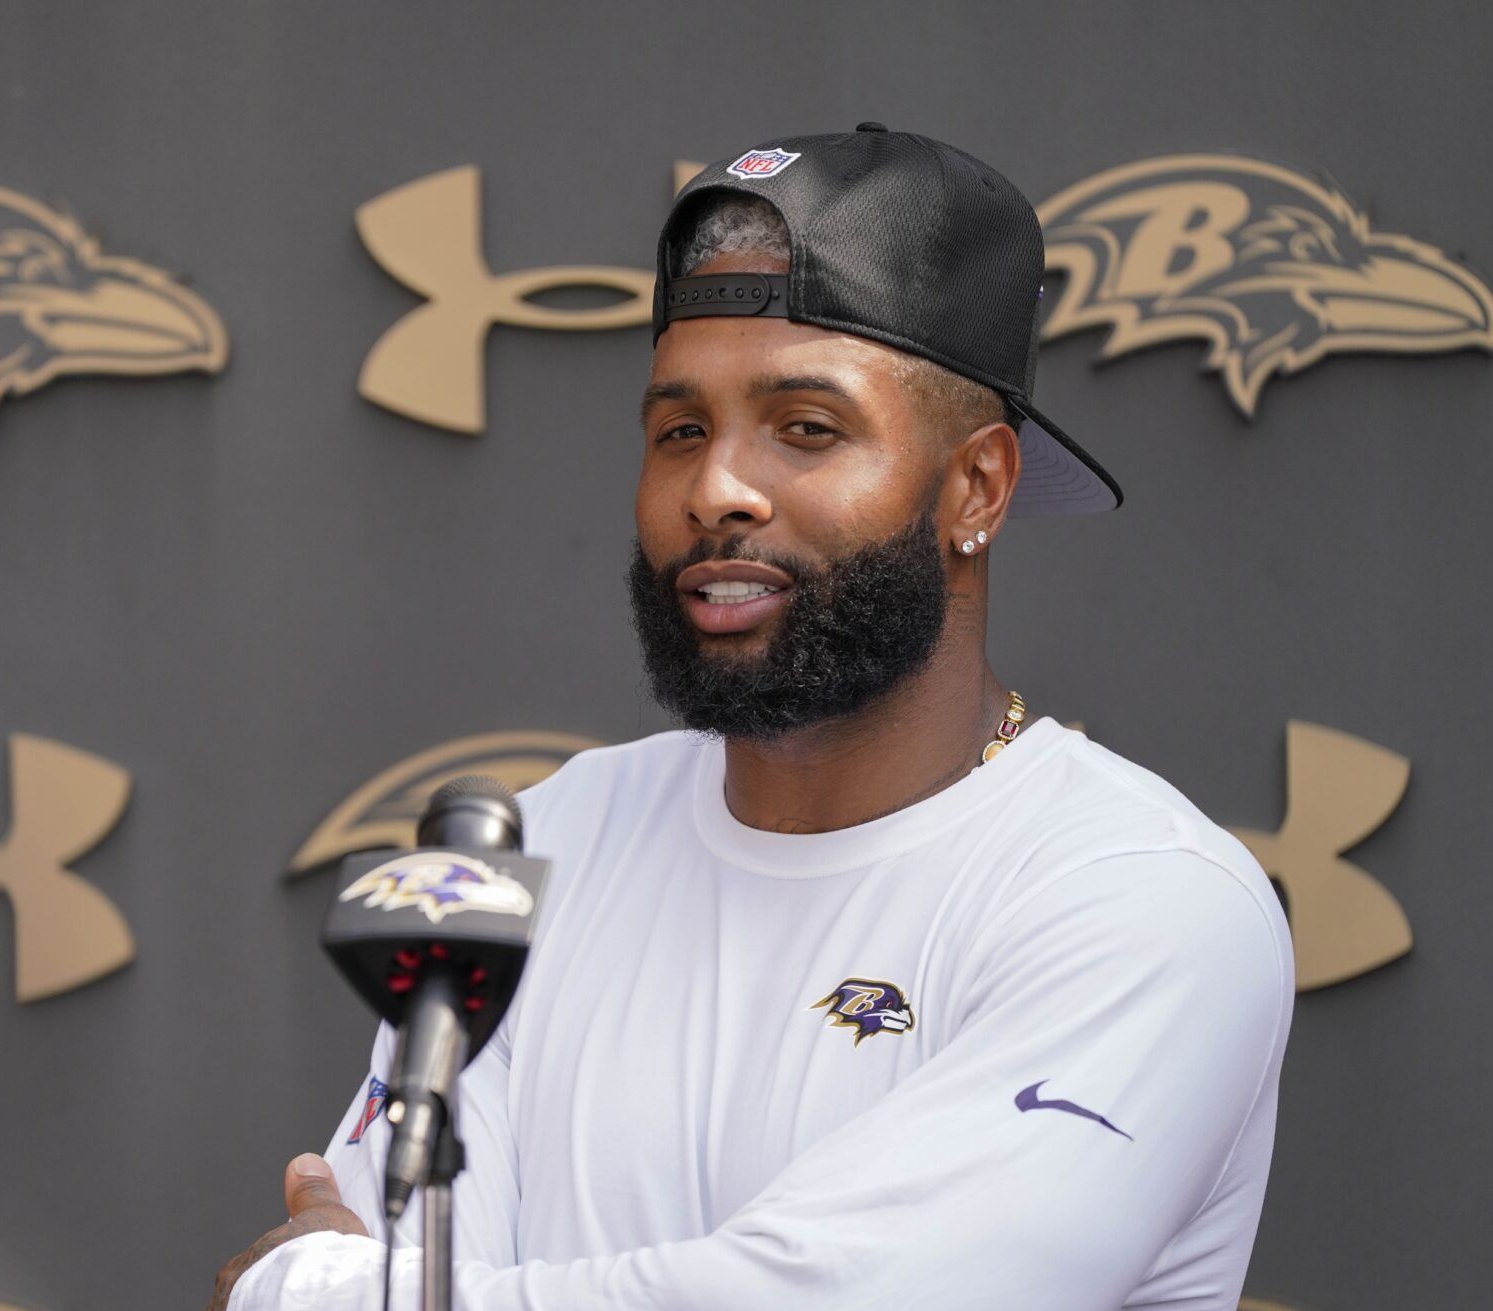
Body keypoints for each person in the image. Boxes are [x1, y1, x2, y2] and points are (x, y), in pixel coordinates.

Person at [212, 126, 1294, 1311]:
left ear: (976, 487)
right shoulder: (541, 846)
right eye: (681, 430)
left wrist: (308, 1290)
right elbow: (408, 1269)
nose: (716, 488)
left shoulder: (1137, 894)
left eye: (806, 429)